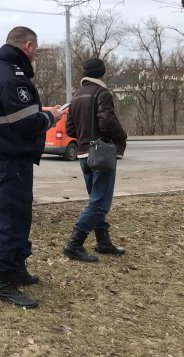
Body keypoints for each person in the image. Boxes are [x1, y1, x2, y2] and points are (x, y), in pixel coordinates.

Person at [0, 26, 65, 308]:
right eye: (35, 50)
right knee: (11, 219)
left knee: (20, 215)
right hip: (10, 157)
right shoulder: (12, 78)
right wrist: (50, 117)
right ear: (27, 46)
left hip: (4, 154)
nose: (35, 55)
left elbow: (11, 116)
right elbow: (26, 123)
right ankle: (3, 283)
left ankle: (16, 267)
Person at [62, 58, 127, 261]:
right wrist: (122, 134)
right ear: (102, 72)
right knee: (100, 203)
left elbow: (70, 128)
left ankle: (103, 241)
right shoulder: (102, 93)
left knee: (95, 200)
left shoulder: (77, 96)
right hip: (101, 153)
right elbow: (107, 121)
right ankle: (74, 244)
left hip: (83, 154)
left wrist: (84, 137)